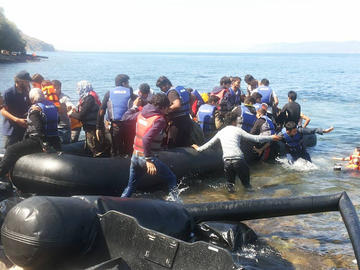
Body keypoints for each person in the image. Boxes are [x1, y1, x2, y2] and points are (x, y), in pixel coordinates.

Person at [192, 112, 280, 192]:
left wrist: (197, 148)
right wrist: (271, 137)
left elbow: (208, 144)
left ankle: (231, 202)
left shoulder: (220, 132)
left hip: (227, 162)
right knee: (247, 186)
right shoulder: (237, 130)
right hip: (239, 161)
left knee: (230, 187)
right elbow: (256, 138)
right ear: (234, 122)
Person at [121, 93, 178, 200]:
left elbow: (125, 118)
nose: (168, 110)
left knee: (131, 186)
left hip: (135, 156)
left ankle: (120, 203)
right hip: (145, 158)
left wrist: (134, 106)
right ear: (162, 107)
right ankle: (177, 204)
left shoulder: (142, 113)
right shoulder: (159, 120)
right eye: (167, 107)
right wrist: (148, 160)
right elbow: (146, 139)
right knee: (171, 178)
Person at [0, 88, 61, 178]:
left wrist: (44, 145)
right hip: (55, 140)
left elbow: (38, 128)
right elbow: (57, 121)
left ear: (32, 98)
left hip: (39, 141)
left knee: (11, 149)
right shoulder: (52, 106)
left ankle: (1, 173)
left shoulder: (35, 110)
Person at [96, 74, 136, 156]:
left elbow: (102, 110)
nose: (129, 85)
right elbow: (140, 102)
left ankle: (115, 161)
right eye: (127, 83)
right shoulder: (130, 92)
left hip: (115, 126)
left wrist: (98, 127)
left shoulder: (109, 93)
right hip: (128, 126)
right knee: (129, 148)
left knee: (116, 149)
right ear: (123, 83)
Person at [70, 81, 105, 157]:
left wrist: (71, 114)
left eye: (79, 88)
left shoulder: (89, 98)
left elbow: (81, 115)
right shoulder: (87, 97)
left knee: (93, 146)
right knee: (91, 144)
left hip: (92, 127)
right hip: (91, 126)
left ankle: (97, 161)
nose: (78, 90)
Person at [156, 76, 192, 148]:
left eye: (161, 87)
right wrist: (189, 107)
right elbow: (193, 97)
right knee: (184, 143)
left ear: (166, 84)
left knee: (173, 144)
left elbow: (177, 104)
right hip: (187, 119)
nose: (161, 90)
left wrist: (166, 111)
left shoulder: (171, 93)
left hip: (178, 123)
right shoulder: (179, 88)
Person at [1, 71, 31, 148]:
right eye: (26, 82)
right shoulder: (8, 93)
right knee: (9, 151)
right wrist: (17, 120)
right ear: (19, 81)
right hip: (11, 129)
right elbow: (3, 111)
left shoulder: (26, 92)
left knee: (24, 150)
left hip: (24, 128)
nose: (28, 84)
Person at [52, 80, 74, 144]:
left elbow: (68, 103)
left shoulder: (64, 97)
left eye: (57, 88)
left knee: (66, 145)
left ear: (60, 88)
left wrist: (70, 106)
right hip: (54, 127)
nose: (55, 90)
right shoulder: (49, 98)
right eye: (54, 88)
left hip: (64, 127)